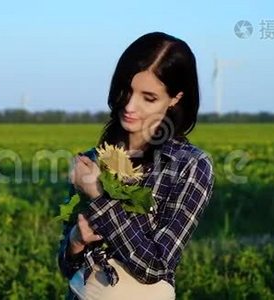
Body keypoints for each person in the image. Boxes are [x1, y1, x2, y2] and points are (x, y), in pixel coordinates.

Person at [57, 31, 215, 300]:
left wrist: (98, 195)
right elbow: (67, 266)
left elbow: (156, 265)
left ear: (175, 98)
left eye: (148, 97)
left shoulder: (190, 165)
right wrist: (75, 241)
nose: (130, 105)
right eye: (127, 91)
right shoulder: (93, 158)